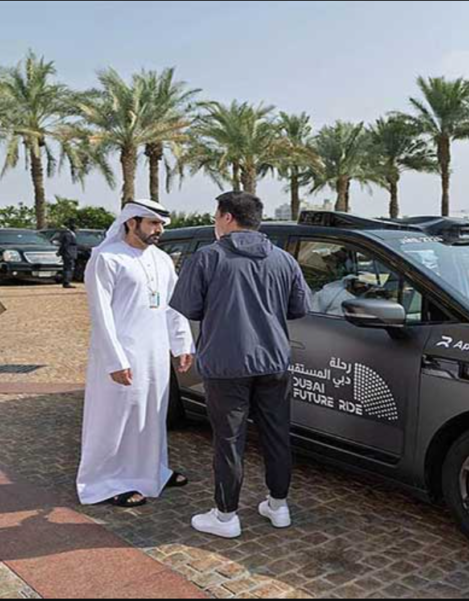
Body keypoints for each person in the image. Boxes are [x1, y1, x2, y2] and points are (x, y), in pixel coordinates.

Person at [171, 191, 310, 539]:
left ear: (228, 217)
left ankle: (226, 516)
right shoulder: (284, 259)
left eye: (217, 215)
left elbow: (189, 307)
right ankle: (279, 506)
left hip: (226, 363)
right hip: (274, 361)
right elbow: (299, 308)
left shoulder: (208, 258)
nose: (215, 222)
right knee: (277, 434)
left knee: (229, 439)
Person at [76, 198, 195, 508]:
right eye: (153, 223)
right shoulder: (107, 258)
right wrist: (116, 360)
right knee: (116, 418)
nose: (158, 230)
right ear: (132, 222)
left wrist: (181, 344)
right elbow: (100, 314)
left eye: (161, 225)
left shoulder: (162, 259)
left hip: (154, 352)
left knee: (152, 414)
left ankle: (150, 472)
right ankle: (105, 481)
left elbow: (173, 306)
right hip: (120, 353)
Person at [57, 220, 79, 289]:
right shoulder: (68, 235)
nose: (78, 230)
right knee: (68, 268)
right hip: (68, 254)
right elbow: (65, 245)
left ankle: (67, 281)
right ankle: (66, 282)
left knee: (69, 267)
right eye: (77, 229)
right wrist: (60, 252)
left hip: (70, 254)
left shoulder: (71, 234)